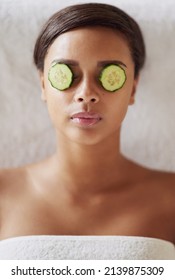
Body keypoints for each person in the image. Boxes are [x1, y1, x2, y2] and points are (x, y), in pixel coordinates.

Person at [0, 2, 175, 246]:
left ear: (133, 87)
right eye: (66, 73)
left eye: (110, 75)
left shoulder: (171, 197)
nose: (86, 93)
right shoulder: (3, 194)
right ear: (43, 85)